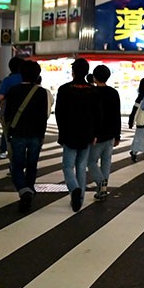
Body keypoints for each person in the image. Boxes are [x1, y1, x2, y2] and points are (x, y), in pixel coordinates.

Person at [4, 61, 49, 214]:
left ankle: (24, 191)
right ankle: (28, 190)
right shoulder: (41, 92)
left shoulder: (13, 90)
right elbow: (43, 116)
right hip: (36, 134)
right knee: (31, 165)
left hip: (18, 133)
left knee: (16, 165)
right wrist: (42, 134)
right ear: (37, 75)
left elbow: (7, 114)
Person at [55, 58, 99, 212]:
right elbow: (96, 114)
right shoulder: (93, 90)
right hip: (86, 133)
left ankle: (74, 189)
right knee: (81, 165)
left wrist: (61, 132)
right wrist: (95, 133)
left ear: (73, 72)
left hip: (69, 132)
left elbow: (59, 114)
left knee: (68, 165)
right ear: (87, 72)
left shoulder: (64, 89)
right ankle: (79, 199)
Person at [88, 65, 121, 201]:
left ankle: (101, 183)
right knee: (106, 161)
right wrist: (117, 135)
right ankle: (103, 189)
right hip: (110, 133)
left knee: (91, 161)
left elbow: (90, 115)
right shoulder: (113, 93)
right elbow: (117, 115)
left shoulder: (92, 93)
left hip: (97, 134)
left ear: (94, 77)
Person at [0, 57, 25, 158]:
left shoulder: (7, 80)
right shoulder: (25, 78)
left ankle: (13, 164)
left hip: (8, 113)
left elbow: (0, 97)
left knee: (8, 136)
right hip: (24, 114)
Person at [128, 77, 144, 162]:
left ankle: (135, 152)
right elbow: (135, 110)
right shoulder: (141, 97)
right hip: (142, 121)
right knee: (140, 139)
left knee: (141, 139)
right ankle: (134, 152)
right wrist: (132, 121)